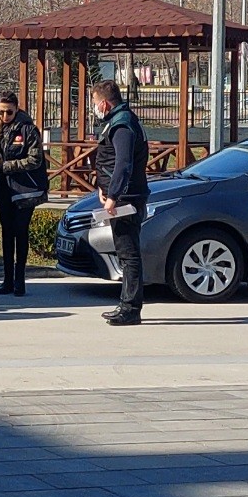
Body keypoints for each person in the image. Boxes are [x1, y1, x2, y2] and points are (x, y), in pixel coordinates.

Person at [91, 79, 149, 326]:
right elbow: (109, 161)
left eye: (94, 103)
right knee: (125, 253)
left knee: (129, 254)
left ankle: (130, 308)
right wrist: (103, 188)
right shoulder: (117, 121)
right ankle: (126, 304)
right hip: (119, 197)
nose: (94, 108)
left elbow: (123, 164)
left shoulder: (122, 125)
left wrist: (113, 195)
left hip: (126, 199)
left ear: (104, 103)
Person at [0, 93, 48, 297]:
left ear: (17, 108)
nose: (5, 115)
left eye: (9, 111)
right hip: (5, 188)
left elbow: (35, 159)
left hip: (24, 189)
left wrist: (7, 166)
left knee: (20, 231)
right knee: (7, 233)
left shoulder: (28, 129)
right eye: (1, 111)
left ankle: (19, 280)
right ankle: (7, 280)